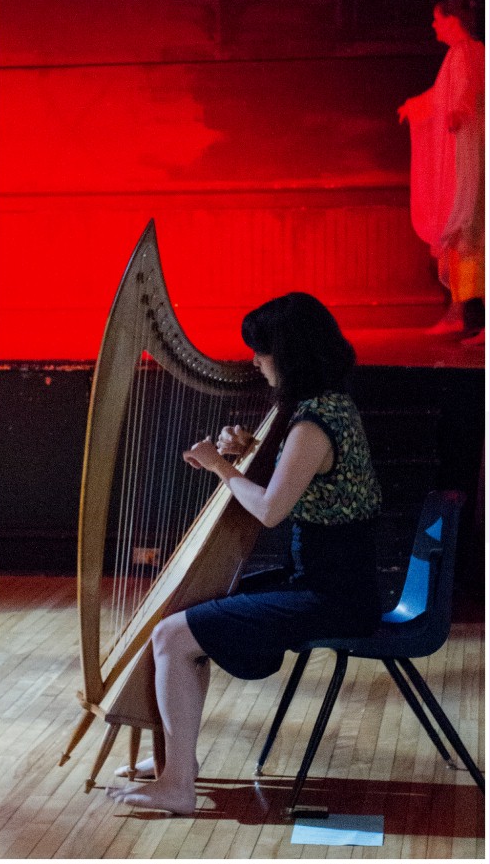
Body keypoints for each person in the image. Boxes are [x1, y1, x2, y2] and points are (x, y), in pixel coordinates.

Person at [107, 292, 382, 814]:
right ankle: (176, 759)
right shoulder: (326, 407)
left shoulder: (311, 424)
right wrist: (244, 453)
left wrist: (220, 467)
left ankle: (178, 783)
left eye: (261, 351)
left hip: (331, 596)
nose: (255, 361)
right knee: (190, 615)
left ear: (289, 353)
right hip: (330, 582)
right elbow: (290, 478)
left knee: (171, 633)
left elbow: (272, 509)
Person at [397, 0, 485, 345]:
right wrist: (414, 106)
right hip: (463, 157)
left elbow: (471, 92)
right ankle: (458, 312)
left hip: (473, 159)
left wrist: (460, 113)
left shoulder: (469, 52)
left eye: (438, 19)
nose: (433, 25)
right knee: (463, 230)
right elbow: (440, 96)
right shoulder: (457, 54)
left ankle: (471, 316)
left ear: (453, 19)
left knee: (472, 229)